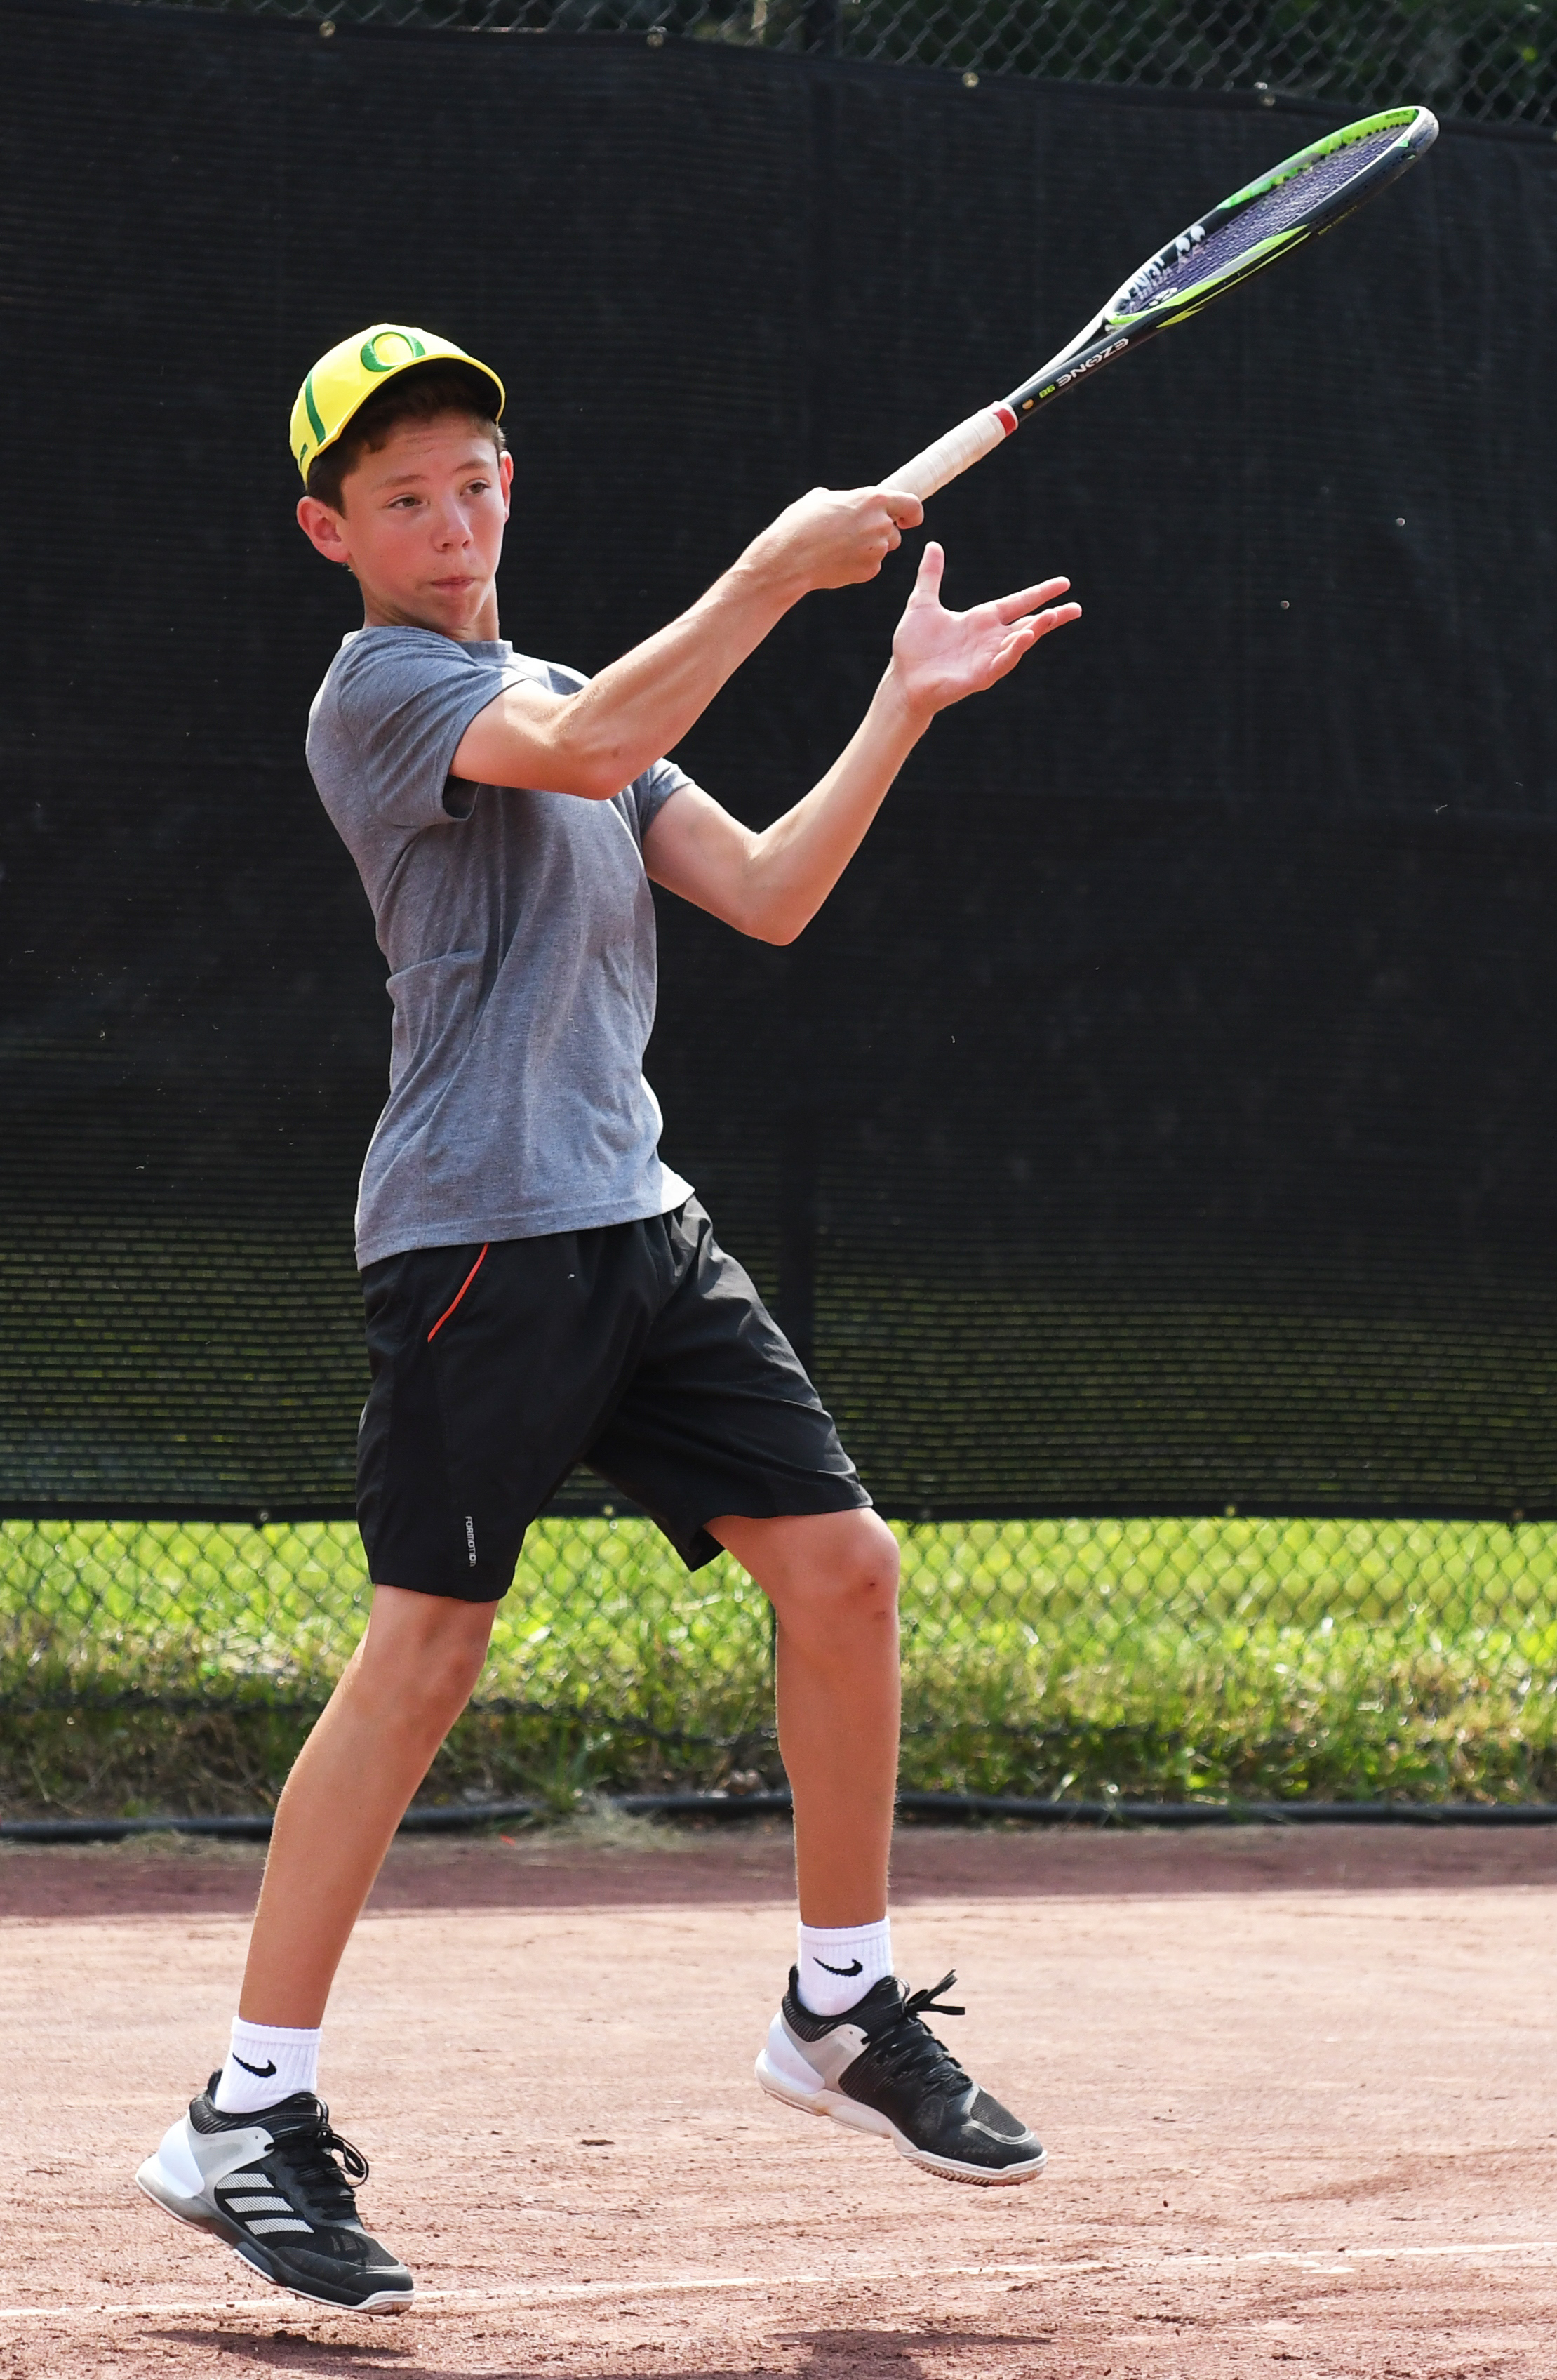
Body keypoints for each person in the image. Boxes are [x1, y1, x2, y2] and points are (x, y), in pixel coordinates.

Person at [135, 324, 1081, 2313]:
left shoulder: (582, 697)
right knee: (425, 1658)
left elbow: (770, 889)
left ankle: (837, 2004)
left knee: (845, 1572)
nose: (452, 519)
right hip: (477, 1245)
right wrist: (772, 570)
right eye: (403, 496)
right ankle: (242, 2111)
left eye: (474, 481)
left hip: (638, 1224)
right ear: (332, 532)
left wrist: (898, 700)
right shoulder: (384, 693)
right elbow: (568, 756)